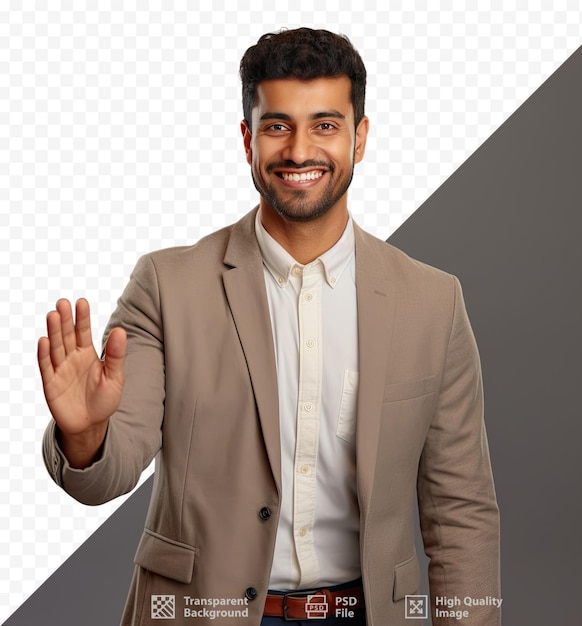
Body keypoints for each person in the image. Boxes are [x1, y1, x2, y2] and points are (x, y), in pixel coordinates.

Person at [38, 28, 500, 626]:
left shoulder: (432, 302)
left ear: (360, 138)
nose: (300, 150)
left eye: (326, 125)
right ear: (247, 139)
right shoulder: (166, 285)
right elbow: (111, 469)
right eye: (277, 126)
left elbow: (461, 510)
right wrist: (84, 436)